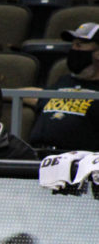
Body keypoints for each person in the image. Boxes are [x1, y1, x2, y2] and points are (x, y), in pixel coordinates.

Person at [29, 22, 99, 153]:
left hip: (78, 161)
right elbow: (37, 96)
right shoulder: (64, 80)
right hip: (38, 154)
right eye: (72, 45)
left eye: (79, 45)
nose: (73, 50)